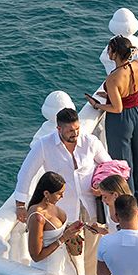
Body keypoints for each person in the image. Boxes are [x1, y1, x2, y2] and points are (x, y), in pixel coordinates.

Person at [13, 108, 110, 266]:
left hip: (91, 206)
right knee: (73, 257)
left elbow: (108, 166)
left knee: (93, 252)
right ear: (59, 129)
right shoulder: (44, 145)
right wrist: (20, 205)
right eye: (70, 130)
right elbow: (26, 173)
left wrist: (101, 187)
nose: (75, 133)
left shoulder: (90, 142)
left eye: (77, 128)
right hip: (65, 213)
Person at [92, 35, 138, 209]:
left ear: (115, 53)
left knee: (122, 163)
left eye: (109, 49)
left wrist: (97, 104)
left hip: (121, 121)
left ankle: (128, 204)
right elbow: (130, 90)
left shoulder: (113, 77)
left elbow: (117, 108)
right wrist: (111, 94)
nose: (107, 52)